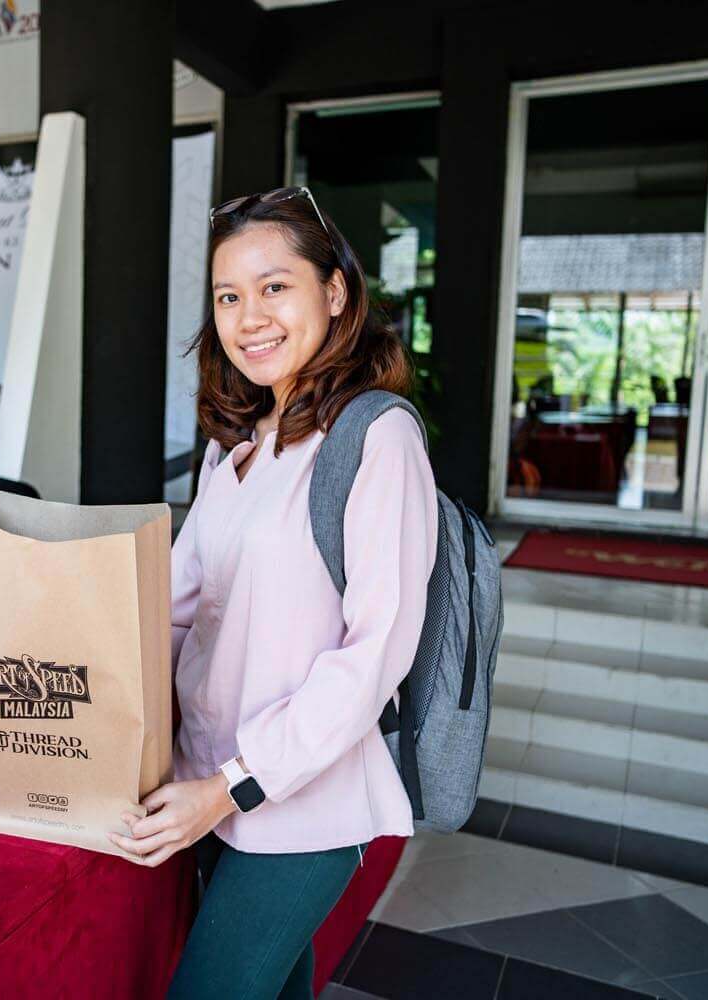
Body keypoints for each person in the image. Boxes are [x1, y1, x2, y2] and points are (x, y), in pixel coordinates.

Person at [107, 188, 437, 999]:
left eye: (274, 287)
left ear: (336, 292)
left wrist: (230, 786)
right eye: (228, 296)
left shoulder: (377, 437)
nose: (248, 317)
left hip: (298, 802)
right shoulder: (235, 447)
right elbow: (176, 607)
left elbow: (374, 655)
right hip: (201, 780)